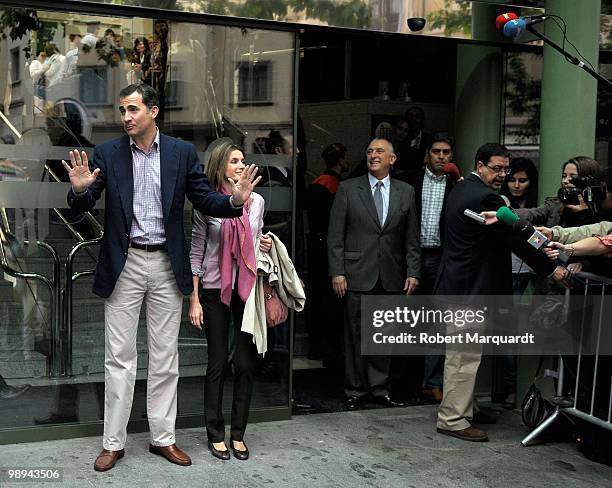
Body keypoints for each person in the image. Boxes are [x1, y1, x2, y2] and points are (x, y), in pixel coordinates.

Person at [62, 83, 260, 472]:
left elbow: (205, 200)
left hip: (168, 265)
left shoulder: (180, 153)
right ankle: (113, 443)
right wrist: (80, 192)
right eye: (121, 110)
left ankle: (163, 439)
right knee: (119, 358)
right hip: (126, 262)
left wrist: (235, 201)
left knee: (166, 357)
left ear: (154, 112)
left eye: (132, 109)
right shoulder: (108, 153)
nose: (125, 117)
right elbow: (83, 203)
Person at [433, 142, 568, 442]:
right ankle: (453, 419)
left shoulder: (459, 189)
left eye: (505, 169)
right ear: (479, 165)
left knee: (464, 354)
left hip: (458, 283)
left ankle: (464, 407)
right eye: (496, 169)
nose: (502, 175)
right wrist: (552, 266)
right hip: (470, 289)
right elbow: (517, 237)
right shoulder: (485, 197)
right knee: (463, 356)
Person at [188, 141, 272, 461]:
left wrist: (263, 244)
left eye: (242, 160)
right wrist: (193, 298)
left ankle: (239, 433)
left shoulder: (258, 201)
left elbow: (257, 240)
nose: (240, 165)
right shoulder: (208, 202)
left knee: (246, 363)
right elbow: (197, 250)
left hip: (247, 289)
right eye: (233, 160)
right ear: (221, 165)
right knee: (218, 362)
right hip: (213, 288)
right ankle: (215, 432)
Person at [327, 138, 421, 410]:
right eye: (369, 151)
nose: (373, 155)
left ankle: (379, 389)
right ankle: (355, 390)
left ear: (392, 159)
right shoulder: (348, 188)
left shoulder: (406, 191)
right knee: (355, 336)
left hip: (391, 274)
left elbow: (411, 237)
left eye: (379, 151)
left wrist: (414, 271)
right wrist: (337, 272)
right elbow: (335, 236)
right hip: (355, 273)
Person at [412, 138, 456, 402]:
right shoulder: (410, 182)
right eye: (436, 151)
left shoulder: (457, 186)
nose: (441, 156)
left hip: (442, 258)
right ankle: (405, 380)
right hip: (414, 258)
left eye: (446, 152)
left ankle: (432, 382)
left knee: (439, 322)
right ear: (427, 155)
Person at [305, 142, 348, 366]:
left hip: (314, 242)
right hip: (329, 245)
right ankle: (329, 347)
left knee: (315, 295)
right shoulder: (336, 186)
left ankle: (315, 345)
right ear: (341, 160)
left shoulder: (316, 183)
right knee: (330, 299)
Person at [516, 156, 603, 228]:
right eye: (564, 176)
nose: (565, 181)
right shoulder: (555, 204)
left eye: (572, 176)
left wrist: (584, 214)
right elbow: (533, 214)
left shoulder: (601, 209)